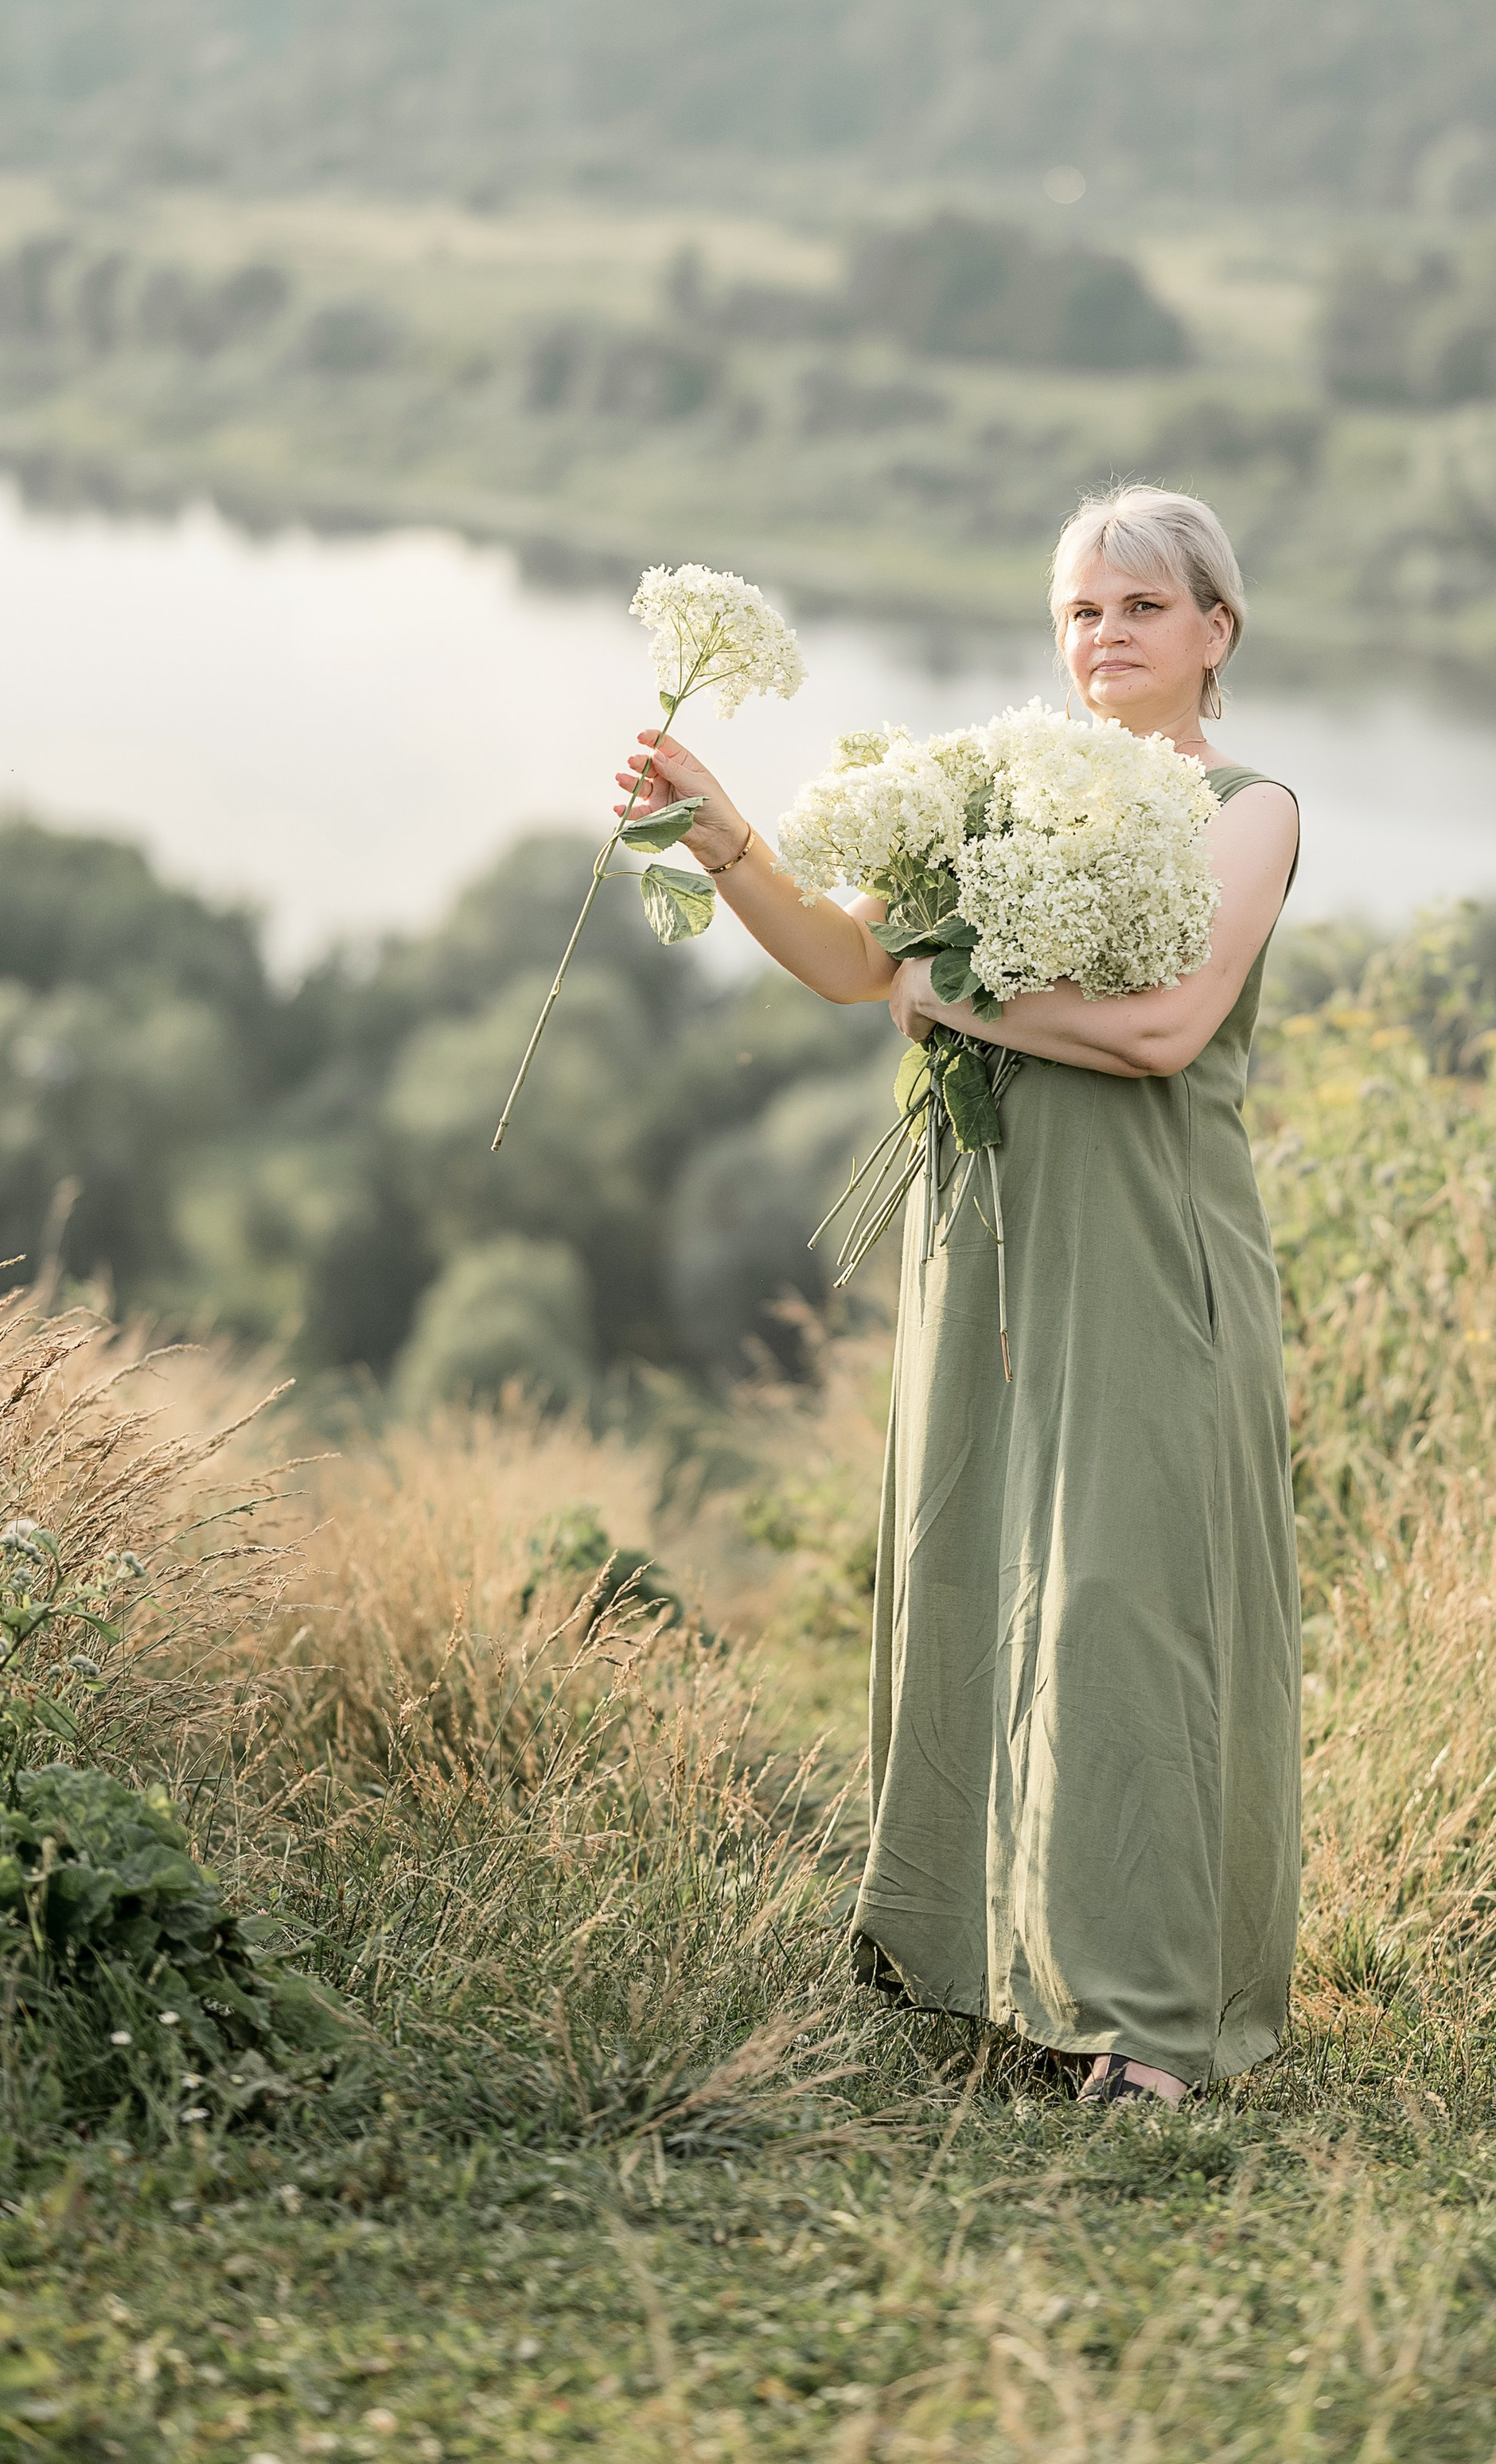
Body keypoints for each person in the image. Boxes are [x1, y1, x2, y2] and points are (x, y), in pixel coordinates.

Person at [619, 485, 1301, 2105]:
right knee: (973, 1567)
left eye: (1142, 606)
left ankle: (1150, 2022)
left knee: (1123, 1604)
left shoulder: (1248, 809)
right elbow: (849, 963)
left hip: (1147, 1252)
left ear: (1214, 630)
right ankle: (971, 1959)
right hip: (984, 1235)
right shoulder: (989, 789)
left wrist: (951, 993)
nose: (1106, 635)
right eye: (1081, 609)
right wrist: (721, 836)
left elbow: (1162, 1034)